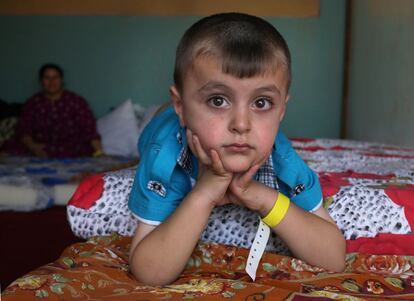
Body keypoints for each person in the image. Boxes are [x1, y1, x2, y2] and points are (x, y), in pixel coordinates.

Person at [128, 13, 346, 285]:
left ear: (282, 110)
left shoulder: (282, 158)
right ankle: (167, 111)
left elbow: (333, 258)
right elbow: (150, 272)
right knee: (157, 121)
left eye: (262, 103)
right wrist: (205, 193)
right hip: (162, 127)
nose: (242, 124)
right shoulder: (165, 158)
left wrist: (264, 197)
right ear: (181, 106)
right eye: (218, 100)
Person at [15, 63, 103, 158]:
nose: (51, 82)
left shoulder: (76, 102)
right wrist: (33, 147)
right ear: (41, 81)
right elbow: (24, 130)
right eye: (47, 78)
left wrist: (100, 153)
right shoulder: (32, 103)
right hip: (38, 147)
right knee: (11, 146)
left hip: (69, 149)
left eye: (55, 77)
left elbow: (89, 131)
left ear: (61, 80)